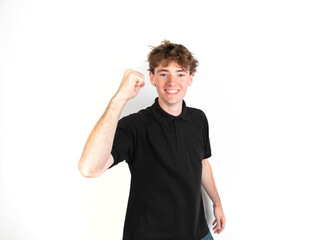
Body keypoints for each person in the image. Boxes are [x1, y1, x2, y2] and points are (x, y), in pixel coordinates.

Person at [78, 40, 226, 240]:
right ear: (152, 77)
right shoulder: (135, 126)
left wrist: (217, 203)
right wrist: (119, 98)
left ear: (191, 78)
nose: (172, 83)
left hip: (198, 234)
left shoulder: (198, 119)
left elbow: (202, 162)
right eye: (164, 73)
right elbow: (89, 169)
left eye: (180, 74)